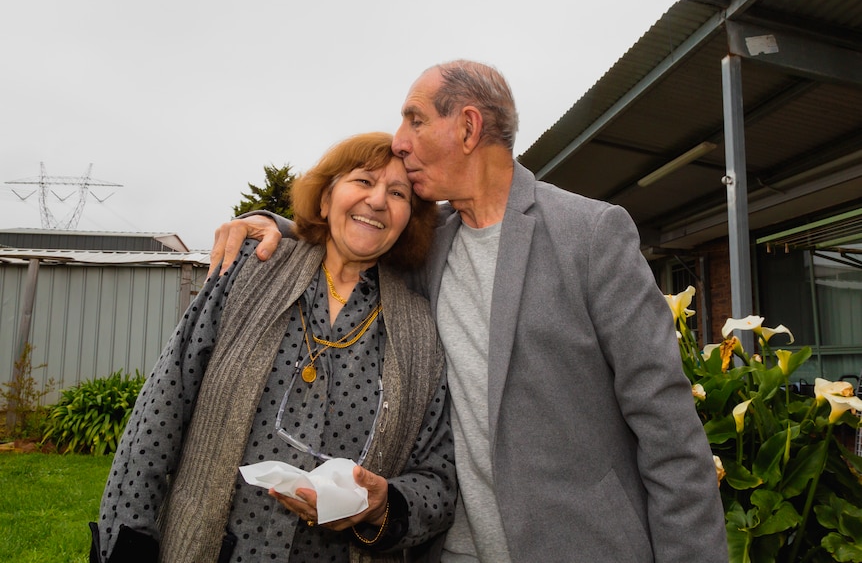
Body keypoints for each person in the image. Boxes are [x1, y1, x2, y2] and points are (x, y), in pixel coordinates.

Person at [210, 61, 728, 562]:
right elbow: (351, 231)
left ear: (468, 126)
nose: (400, 141)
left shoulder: (591, 234)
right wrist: (271, 222)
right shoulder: (427, 246)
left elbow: (669, 434)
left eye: (415, 119)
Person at [91, 132, 456, 563]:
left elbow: (440, 477)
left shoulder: (422, 334)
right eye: (362, 181)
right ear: (324, 200)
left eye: (397, 193)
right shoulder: (248, 270)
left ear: (408, 220)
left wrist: (383, 506)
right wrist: (129, 540)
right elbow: (162, 408)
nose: (377, 201)